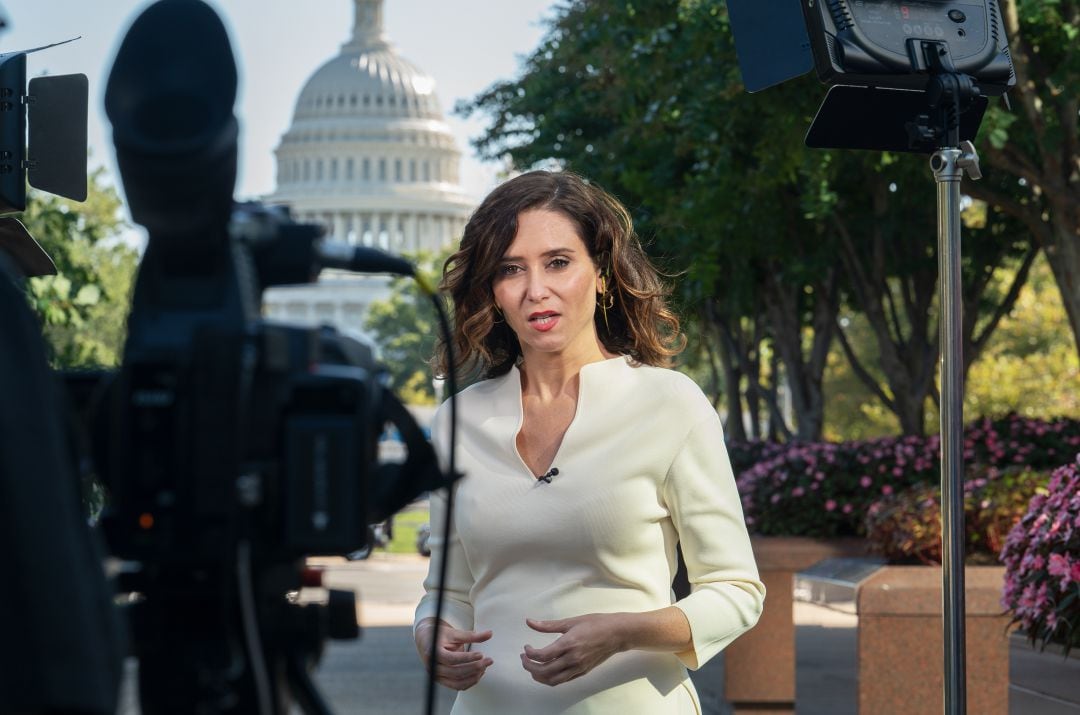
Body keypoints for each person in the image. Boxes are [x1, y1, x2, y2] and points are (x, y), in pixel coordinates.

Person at [413, 171, 764, 714]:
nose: (536, 290)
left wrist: (625, 632)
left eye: (558, 262)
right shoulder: (457, 421)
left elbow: (737, 592)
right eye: (511, 269)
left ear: (600, 275)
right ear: (491, 291)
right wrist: (431, 632)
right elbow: (449, 591)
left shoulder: (670, 404)